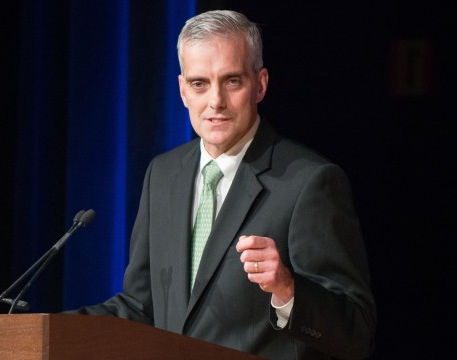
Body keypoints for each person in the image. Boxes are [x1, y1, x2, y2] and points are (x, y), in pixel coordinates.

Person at [65, 9, 377, 359]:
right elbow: (140, 307)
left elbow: (356, 333)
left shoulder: (310, 182)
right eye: (200, 84)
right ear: (183, 91)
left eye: (232, 81)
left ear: (260, 84)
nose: (215, 101)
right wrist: (38, 329)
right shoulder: (163, 175)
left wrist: (288, 289)